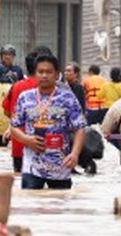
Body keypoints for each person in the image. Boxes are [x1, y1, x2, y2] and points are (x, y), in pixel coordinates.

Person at [11, 52, 87, 190]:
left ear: (57, 74)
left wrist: (75, 154)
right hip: (32, 166)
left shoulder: (68, 98)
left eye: (49, 72)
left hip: (60, 166)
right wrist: (27, 140)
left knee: (61, 201)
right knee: (31, 200)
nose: (44, 75)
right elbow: (14, 127)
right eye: (40, 72)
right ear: (35, 74)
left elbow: (80, 127)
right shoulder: (25, 97)